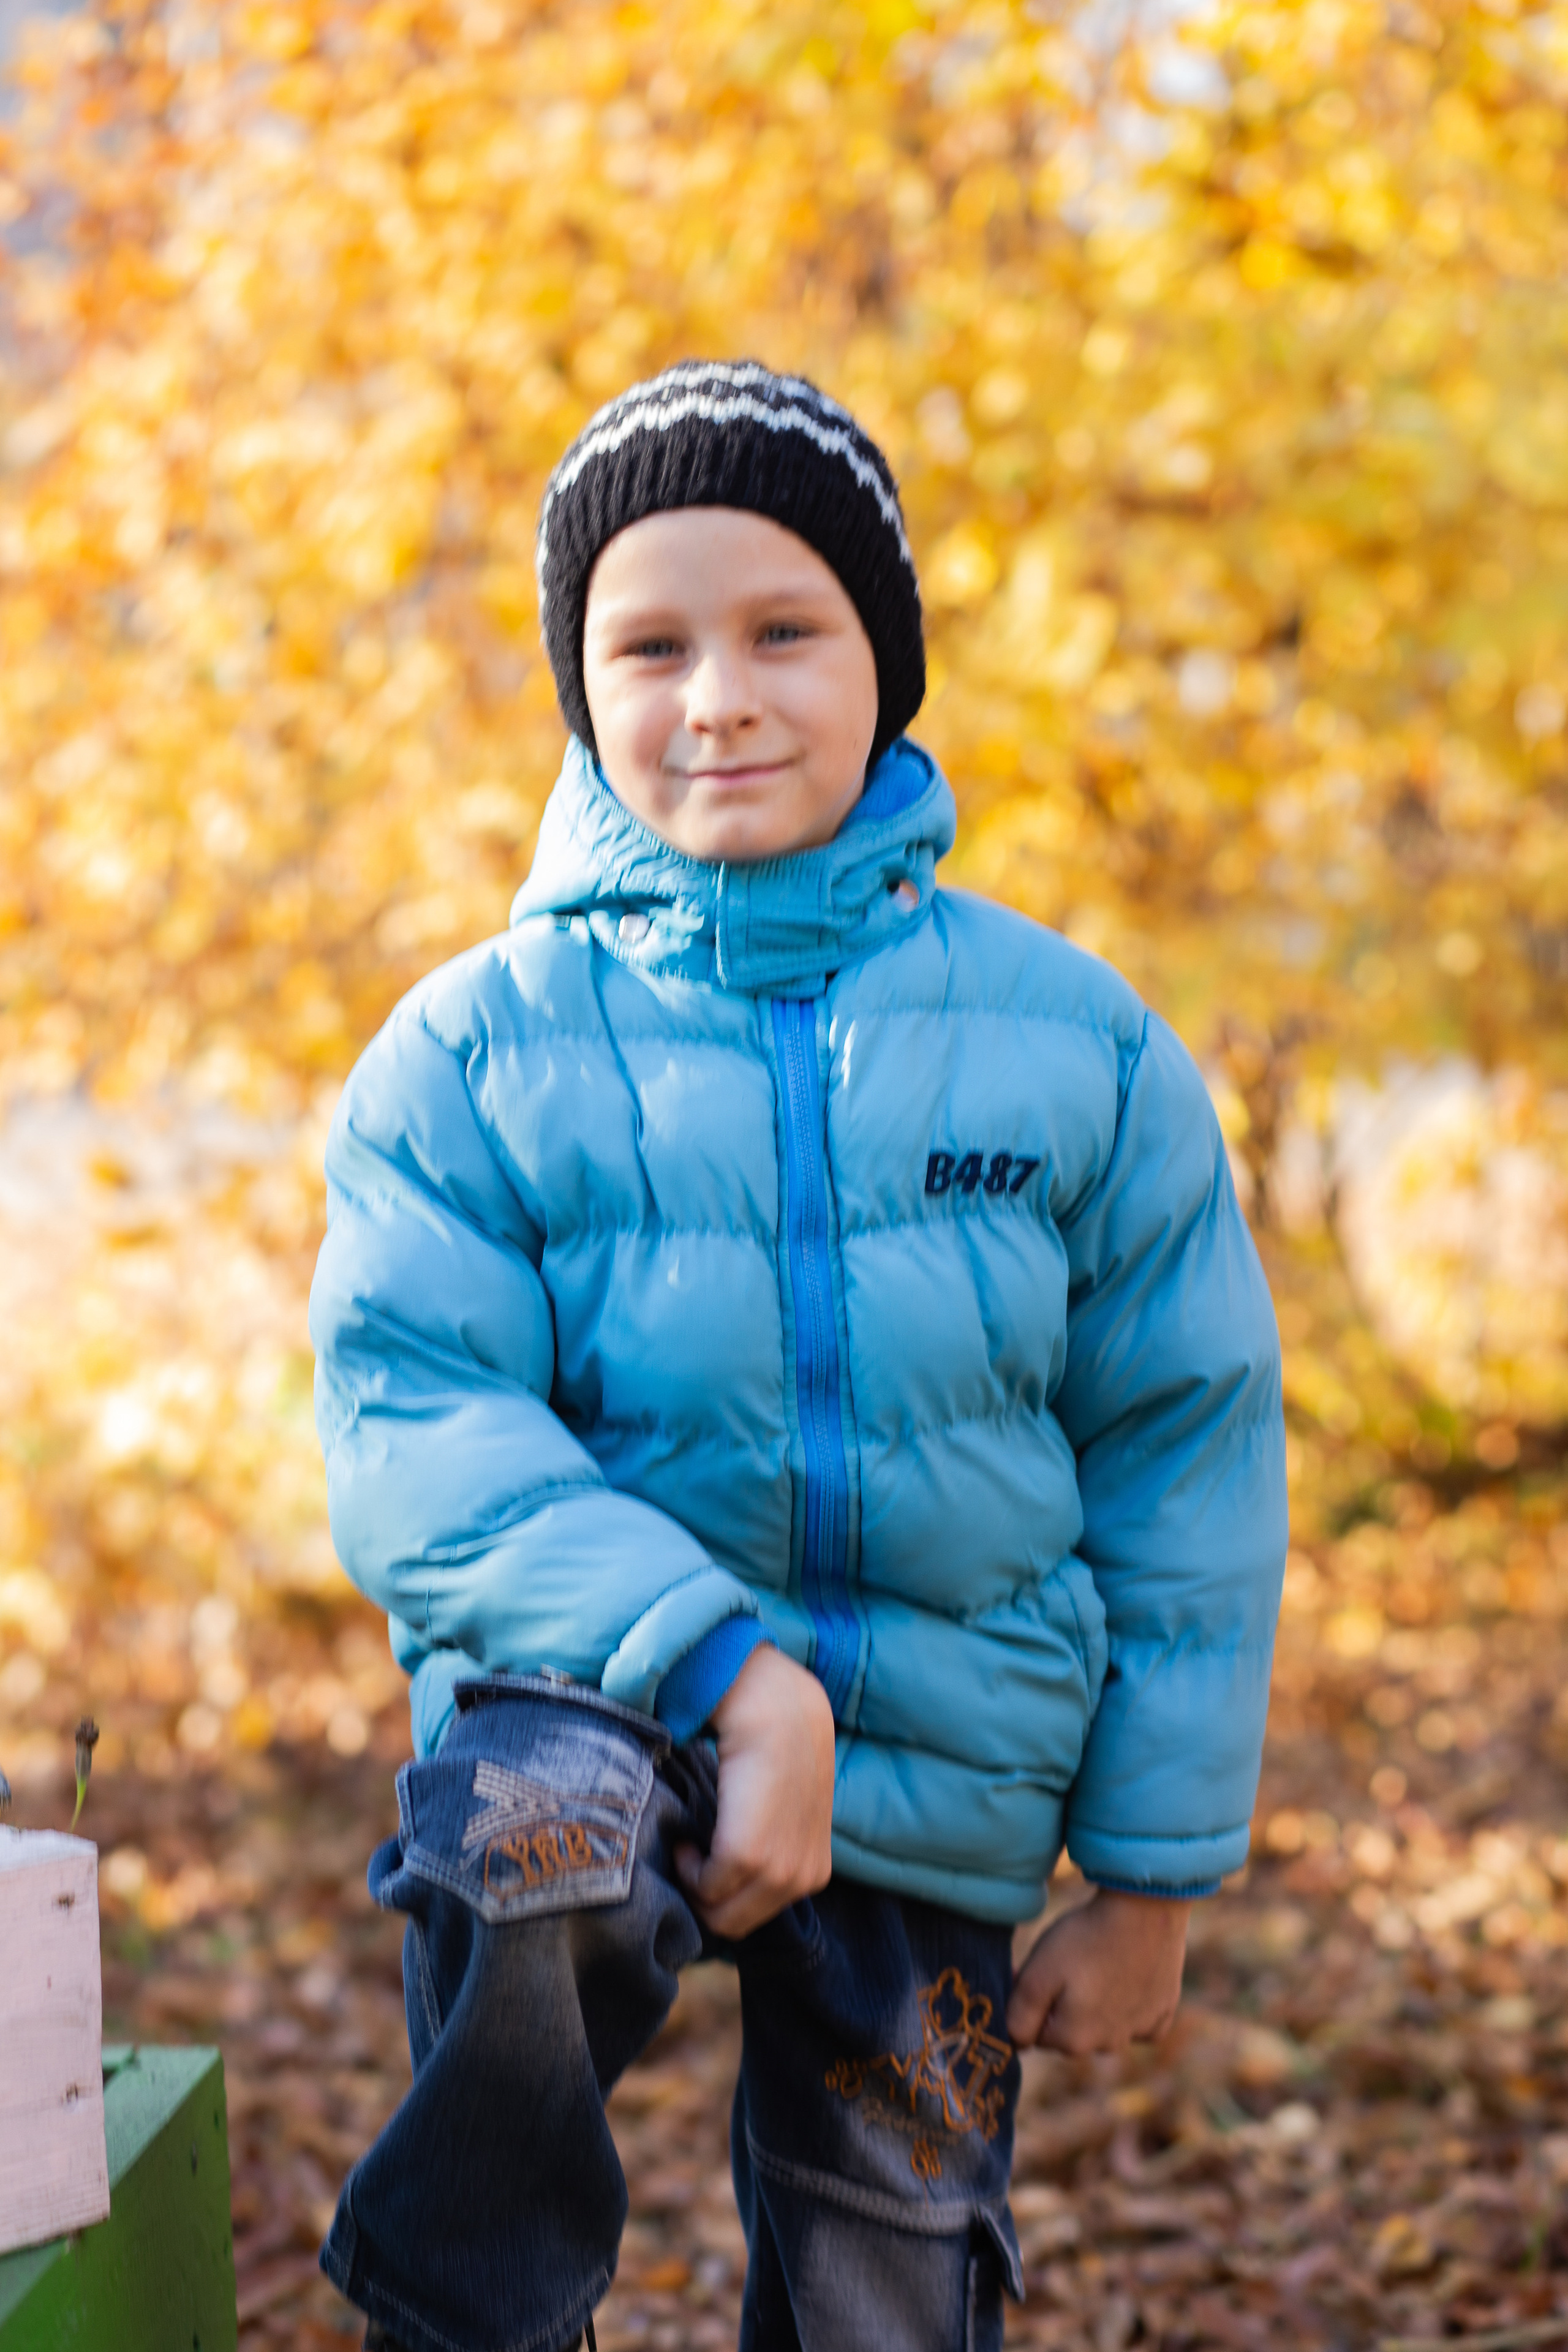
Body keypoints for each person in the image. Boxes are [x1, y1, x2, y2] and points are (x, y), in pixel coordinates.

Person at [310, 360, 1287, 2352]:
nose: (719, 697)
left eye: (785, 631)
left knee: (888, 2284)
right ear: (581, 687)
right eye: (648, 644)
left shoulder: (1073, 1043)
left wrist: (1156, 1872)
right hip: (601, 1720)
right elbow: (422, 1420)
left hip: (948, 1756)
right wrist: (728, 1671)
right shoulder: (473, 1055)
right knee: (525, 1849)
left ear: (886, 664)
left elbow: (1185, 1443)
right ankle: (470, 2318)